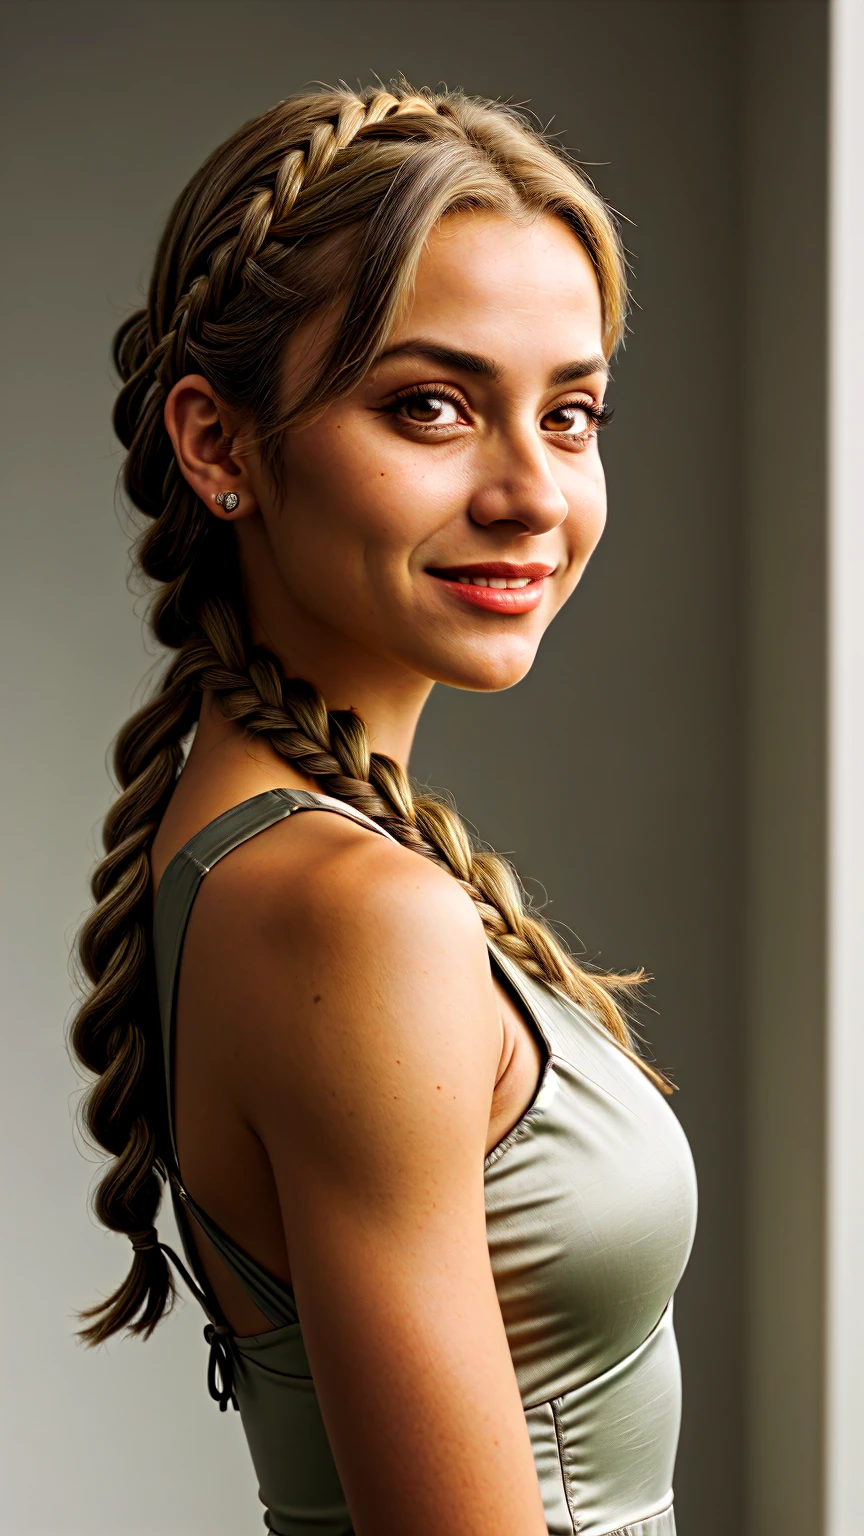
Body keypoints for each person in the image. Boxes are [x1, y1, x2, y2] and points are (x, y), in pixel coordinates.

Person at [70, 82, 697, 1536]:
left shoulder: (252, 845)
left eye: (573, 412)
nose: (533, 493)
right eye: (432, 406)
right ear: (219, 446)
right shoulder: (357, 916)